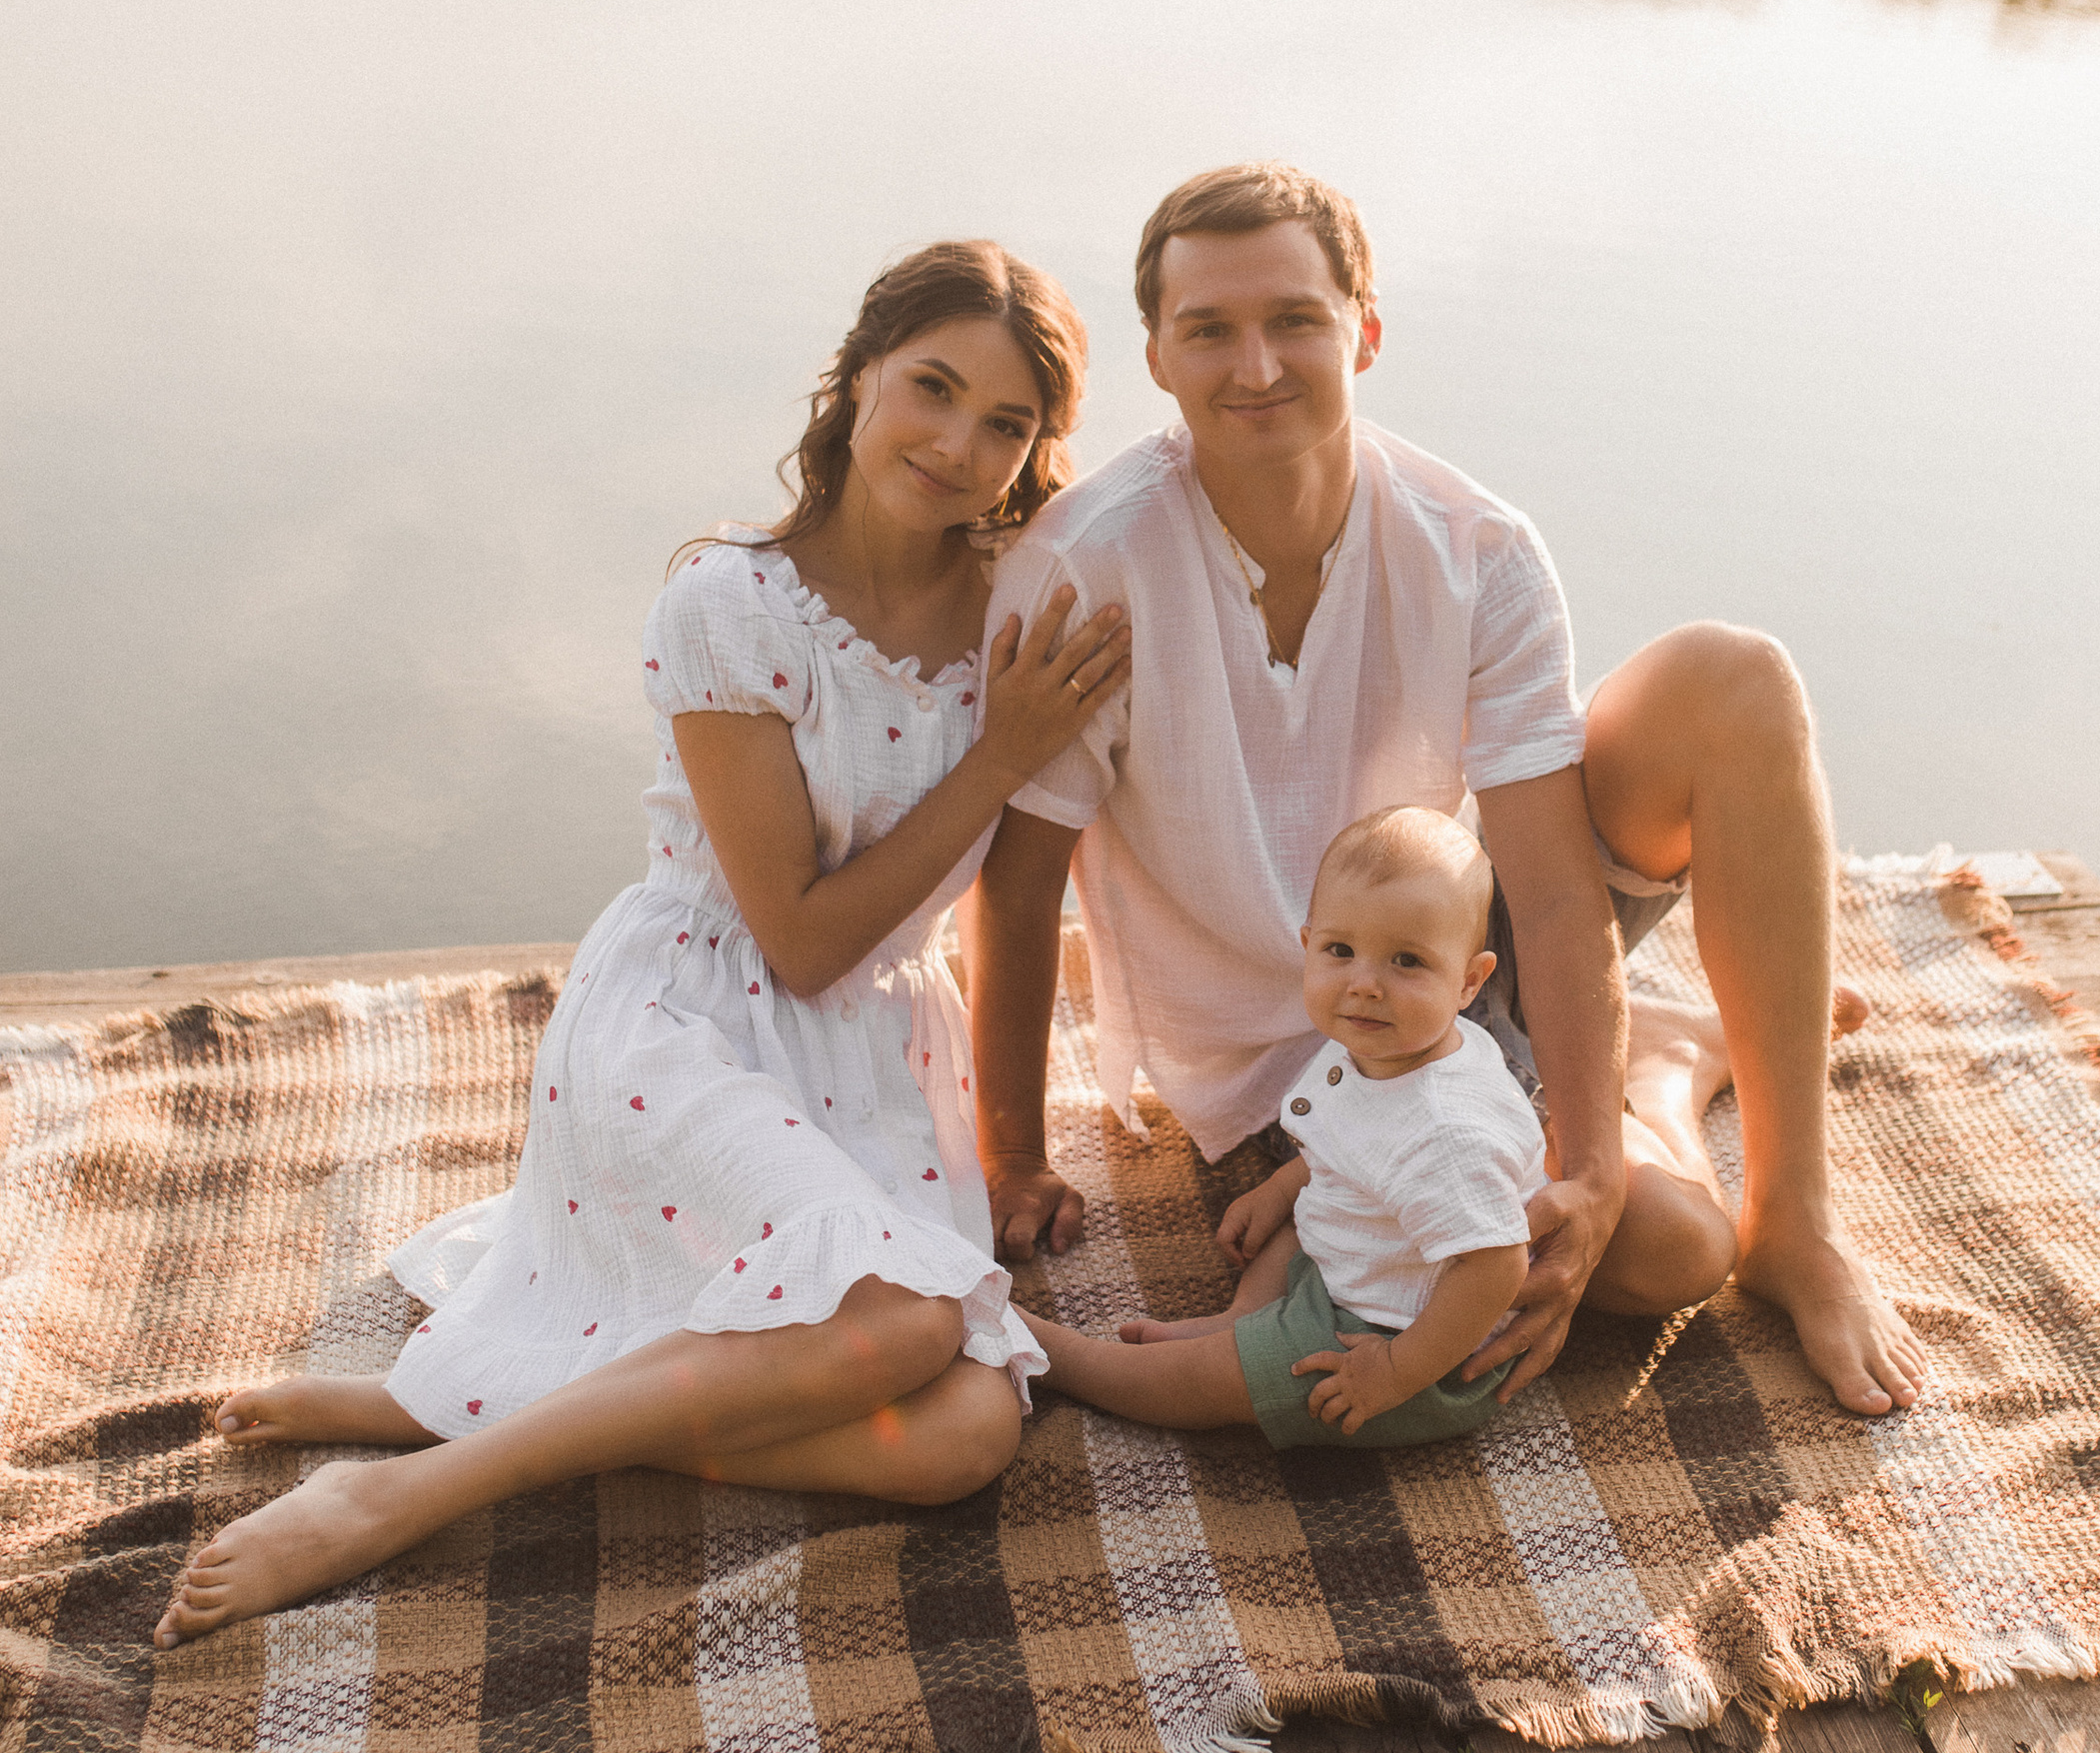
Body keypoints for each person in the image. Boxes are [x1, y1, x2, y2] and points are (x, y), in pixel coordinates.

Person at [154, 240, 1131, 1651]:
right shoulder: (729, 607)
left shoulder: (1016, 613)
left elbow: (1014, 898)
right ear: (859, 375)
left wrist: (1017, 1150)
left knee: (966, 1435)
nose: (958, 446)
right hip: (692, 1018)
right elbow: (799, 941)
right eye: (932, 386)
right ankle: (407, 1492)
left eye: (1007, 424)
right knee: (913, 1323)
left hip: (875, 1059)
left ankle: (495, 1400)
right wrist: (999, 758)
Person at [972, 165, 1924, 1420]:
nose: (1255, 366)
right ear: (1155, 354)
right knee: (1674, 1257)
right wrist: (1011, 1155)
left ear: (1363, 330)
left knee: (1734, 678)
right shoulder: (1085, 566)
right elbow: (1018, 887)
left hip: (1451, 949)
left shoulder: (1474, 545)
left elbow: (1552, 884)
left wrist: (1587, 1168)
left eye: (1295, 321)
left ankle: (1795, 1222)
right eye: (1209, 330)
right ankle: (1663, 1066)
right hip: (1300, 1055)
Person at [1025, 806, 1550, 1447]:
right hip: (1373, 1257)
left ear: (1469, 981)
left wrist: (1394, 1371)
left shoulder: (1447, 1131)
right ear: (1308, 947)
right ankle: (1244, 1319)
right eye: (1340, 951)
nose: (1364, 984)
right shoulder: (1384, 1043)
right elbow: (1353, 1145)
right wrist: (1278, 1189)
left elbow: (1495, 1269)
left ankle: (1070, 1361)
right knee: (1301, 1217)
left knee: (1213, 1382)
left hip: (1412, 1338)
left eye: (1407, 961)